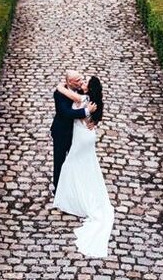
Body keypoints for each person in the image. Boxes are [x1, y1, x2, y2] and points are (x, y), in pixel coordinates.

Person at [53, 75, 114, 258]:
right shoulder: (94, 100)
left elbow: (63, 92)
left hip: (81, 136)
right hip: (89, 136)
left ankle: (68, 195)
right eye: (80, 80)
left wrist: (60, 85)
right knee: (85, 165)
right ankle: (77, 189)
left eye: (84, 82)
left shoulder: (83, 98)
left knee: (70, 164)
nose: (82, 83)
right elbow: (92, 118)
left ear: (88, 89)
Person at [50, 70, 94, 193]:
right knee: (59, 160)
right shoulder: (59, 94)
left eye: (81, 79)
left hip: (77, 132)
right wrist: (86, 112)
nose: (81, 82)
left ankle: (75, 185)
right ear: (69, 82)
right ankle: (58, 189)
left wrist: (93, 121)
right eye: (78, 80)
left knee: (76, 159)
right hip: (62, 132)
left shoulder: (81, 91)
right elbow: (66, 113)